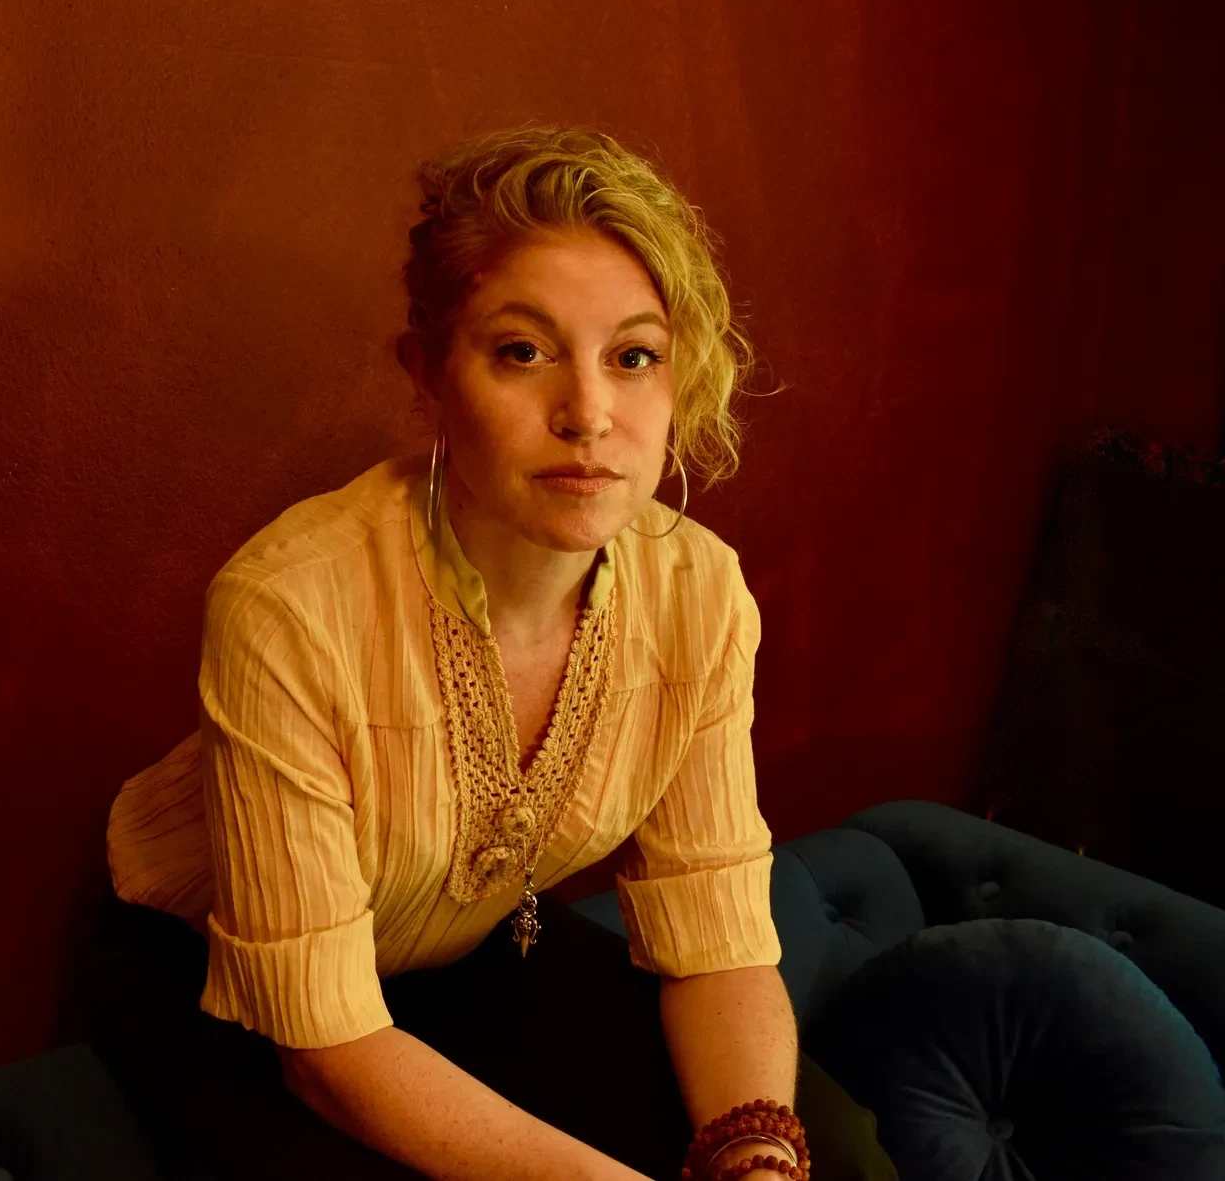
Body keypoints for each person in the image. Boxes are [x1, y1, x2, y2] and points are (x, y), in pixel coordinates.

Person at [89, 125, 892, 1181]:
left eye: (633, 357)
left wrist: (756, 1151)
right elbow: (326, 1045)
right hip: (233, 990)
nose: (588, 415)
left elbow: (717, 938)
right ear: (427, 370)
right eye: (522, 352)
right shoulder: (289, 605)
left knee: (835, 1154)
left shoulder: (698, 592)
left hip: (467, 950)